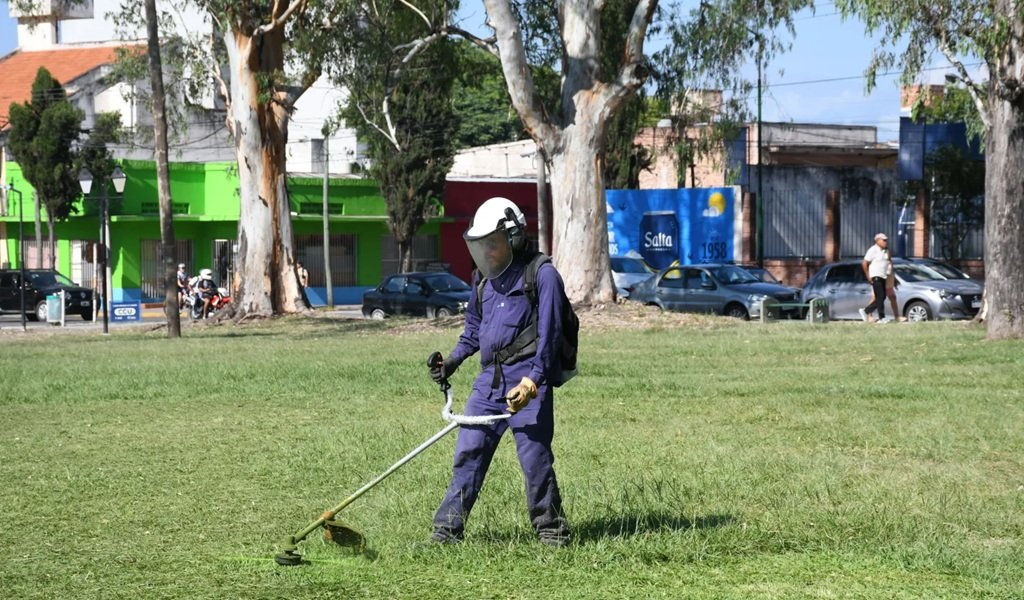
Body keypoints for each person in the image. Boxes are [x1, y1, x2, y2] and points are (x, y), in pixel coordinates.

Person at [427, 197, 572, 547]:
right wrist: (452, 361)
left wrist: (532, 382)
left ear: (514, 236)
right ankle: (446, 533)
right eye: (482, 244)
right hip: (487, 385)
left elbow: (550, 335)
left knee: (535, 462)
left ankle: (552, 534)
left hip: (527, 382)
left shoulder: (543, 275)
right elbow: (473, 331)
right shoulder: (482, 281)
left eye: (492, 242)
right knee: (468, 455)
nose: (487, 250)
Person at [861, 233, 893, 323]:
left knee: (882, 297)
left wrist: (890, 273)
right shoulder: (873, 250)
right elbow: (864, 263)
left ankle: (866, 310)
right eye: (883, 240)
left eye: (886, 240)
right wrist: (868, 276)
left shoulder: (886, 251)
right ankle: (881, 317)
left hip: (883, 276)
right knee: (880, 296)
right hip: (875, 276)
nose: (885, 242)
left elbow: (889, 261)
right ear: (877, 240)